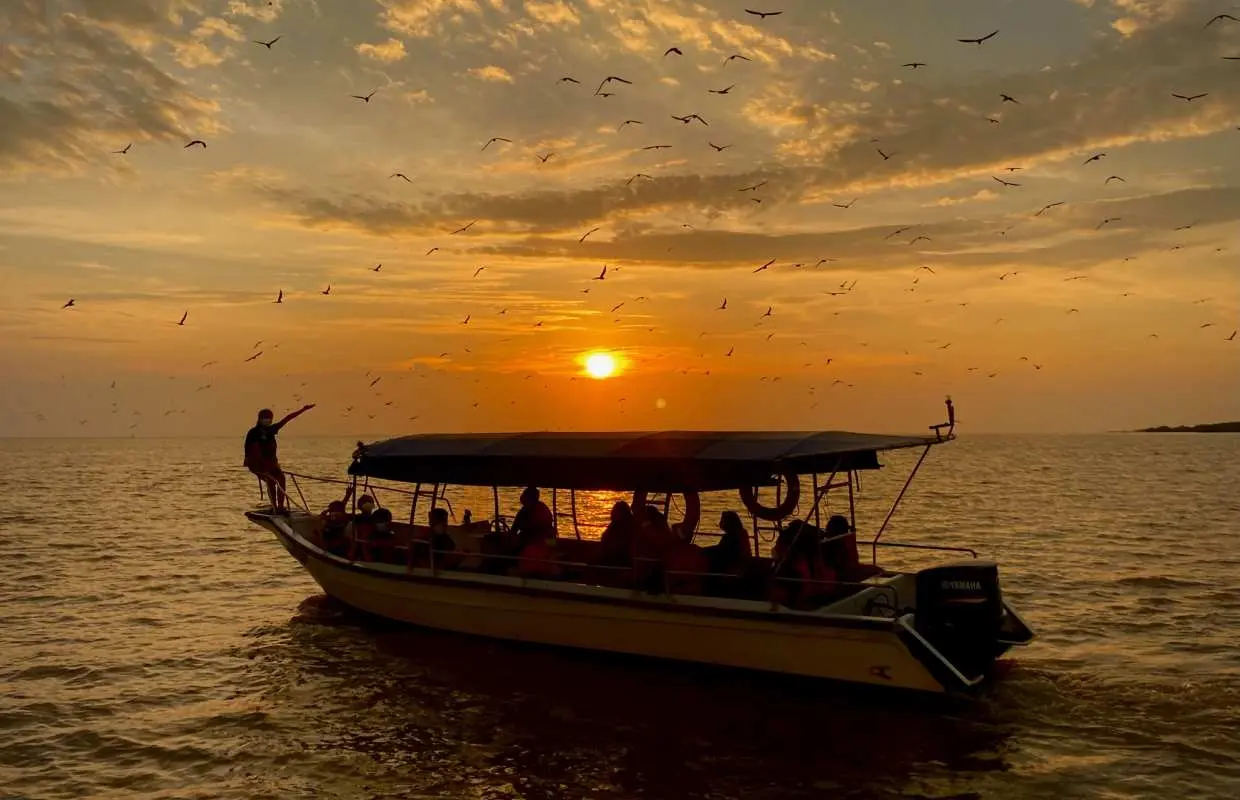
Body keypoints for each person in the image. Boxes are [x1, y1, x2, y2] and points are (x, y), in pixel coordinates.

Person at [243, 404, 315, 513]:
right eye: (265, 418)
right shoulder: (254, 433)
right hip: (257, 464)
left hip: (272, 463)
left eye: (269, 418)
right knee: (271, 481)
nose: (267, 420)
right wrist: (261, 468)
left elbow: (287, 419)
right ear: (260, 419)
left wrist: (303, 410)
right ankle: (275, 507)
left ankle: (280, 506)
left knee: (282, 479)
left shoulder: (271, 429)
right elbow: (252, 452)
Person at [702, 510, 754, 594]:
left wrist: (704, 551)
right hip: (735, 564)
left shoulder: (732, 537)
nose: (720, 523)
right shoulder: (737, 534)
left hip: (732, 566)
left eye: (723, 520)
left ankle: (709, 591)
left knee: (712, 567)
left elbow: (721, 550)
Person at [510, 486, 555, 551]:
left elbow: (515, 529)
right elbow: (515, 528)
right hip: (547, 543)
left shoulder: (535, 510)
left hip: (538, 544)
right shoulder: (541, 507)